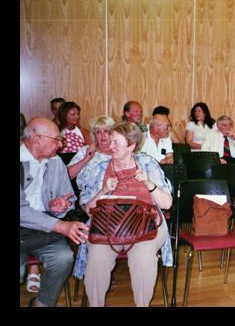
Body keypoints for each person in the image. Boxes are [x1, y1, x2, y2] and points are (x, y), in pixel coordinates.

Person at [73, 121, 173, 307]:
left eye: (115, 142)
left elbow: (167, 203)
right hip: (106, 225)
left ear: (131, 146)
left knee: (144, 257)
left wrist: (148, 183)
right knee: (97, 258)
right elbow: (87, 209)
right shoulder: (100, 168)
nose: (109, 146)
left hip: (146, 225)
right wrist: (103, 191)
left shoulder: (147, 163)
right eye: (110, 141)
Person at [20, 118, 89, 307]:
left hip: (44, 229)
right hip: (28, 228)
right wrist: (61, 225)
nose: (60, 145)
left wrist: (59, 206)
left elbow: (70, 199)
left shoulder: (56, 162)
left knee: (64, 258)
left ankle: (43, 303)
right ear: (36, 139)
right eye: (56, 139)